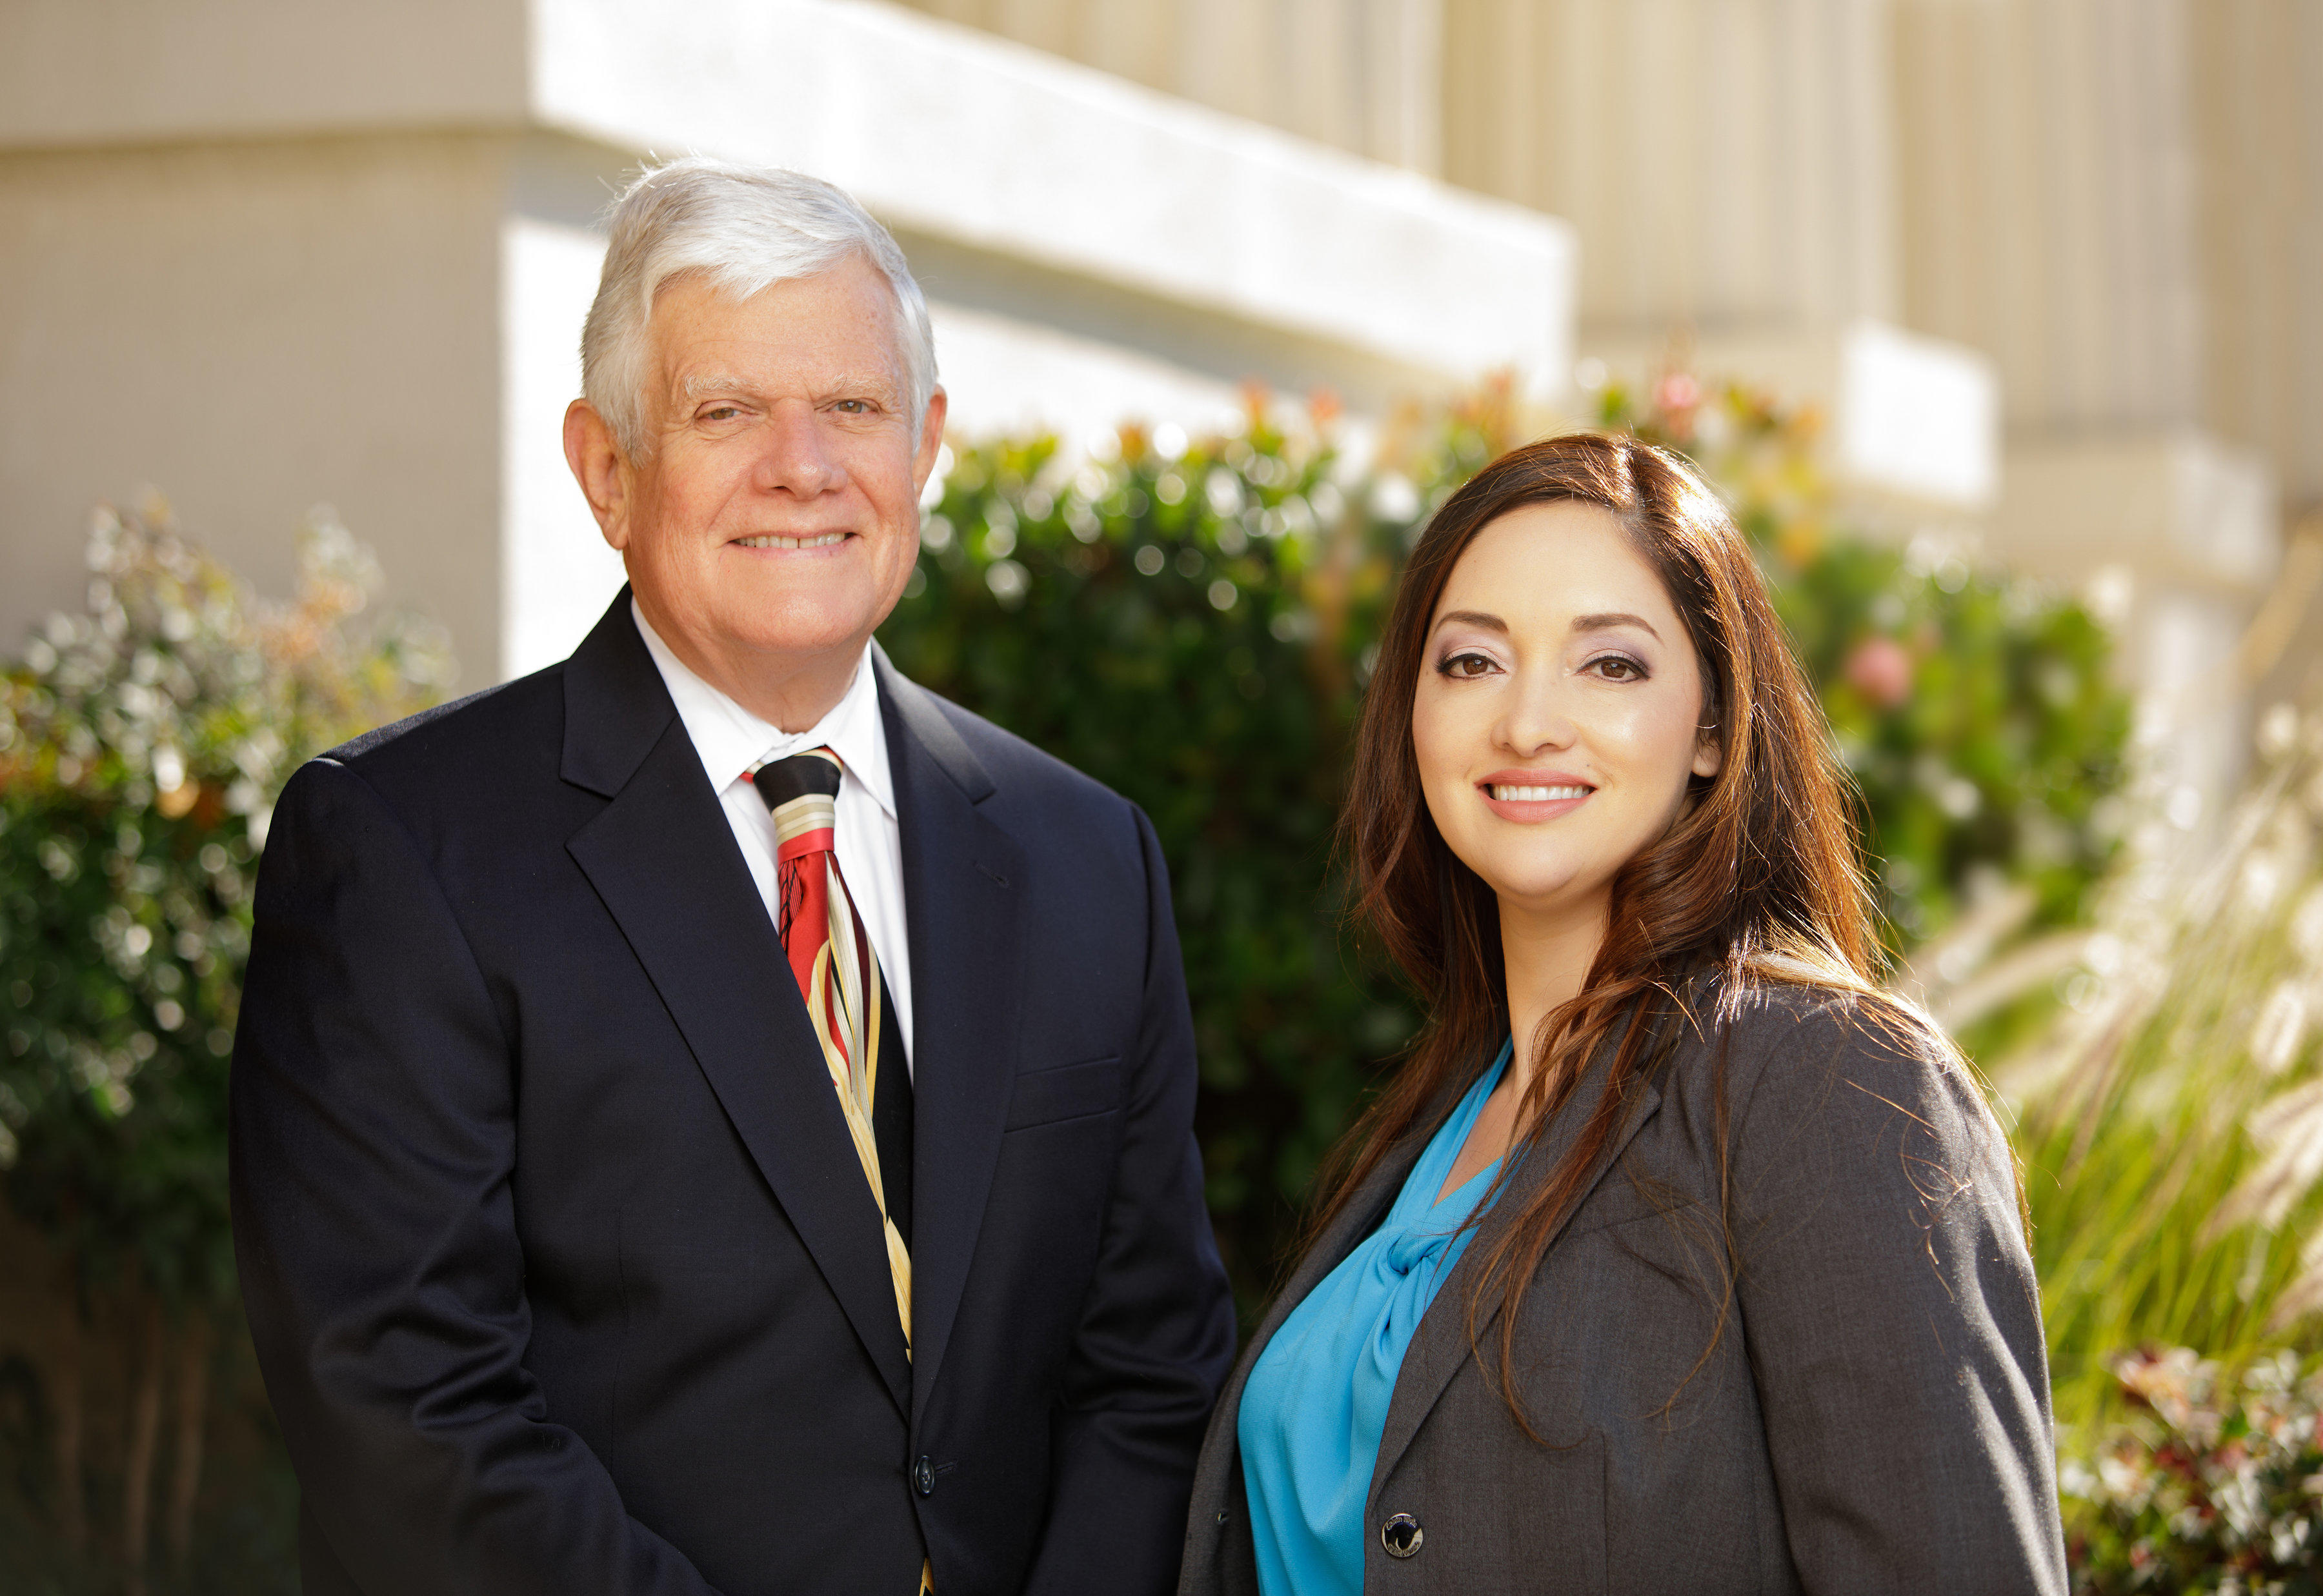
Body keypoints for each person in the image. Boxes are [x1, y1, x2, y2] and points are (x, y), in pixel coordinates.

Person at [230, 157, 1234, 1596]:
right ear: (606, 468)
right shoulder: (402, 853)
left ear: (928, 444)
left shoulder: (1085, 855)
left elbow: (1150, 1366)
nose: (803, 466)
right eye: (726, 412)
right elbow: (411, 1416)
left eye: (853, 408)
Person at [1177, 433, 2067, 1594]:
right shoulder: (1443, 1114)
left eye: (1611, 665)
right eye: (1469, 662)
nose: (1528, 722)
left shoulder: (1829, 1079)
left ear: (1712, 726)